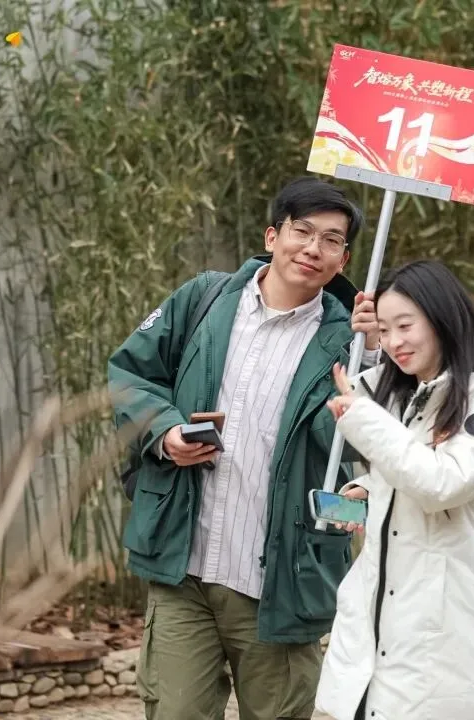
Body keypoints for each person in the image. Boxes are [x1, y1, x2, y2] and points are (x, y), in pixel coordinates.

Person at [107, 176, 382, 720]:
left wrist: (372, 356)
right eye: (302, 231)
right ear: (272, 235)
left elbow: (358, 442)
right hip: (184, 566)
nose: (313, 248)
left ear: (344, 259)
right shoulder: (205, 300)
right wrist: (166, 432)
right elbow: (130, 375)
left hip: (282, 580)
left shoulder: (349, 340)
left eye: (331, 240)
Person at [315, 260, 474, 720]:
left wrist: (365, 420)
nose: (394, 342)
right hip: (381, 617)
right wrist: (370, 488)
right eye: (385, 330)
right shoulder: (408, 389)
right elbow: (407, 464)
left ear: (441, 316)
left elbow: (445, 483)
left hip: (446, 631)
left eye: (405, 326)